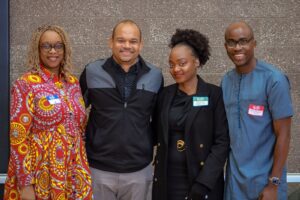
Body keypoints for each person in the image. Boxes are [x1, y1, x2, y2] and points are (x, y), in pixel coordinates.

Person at [4, 25, 93, 200]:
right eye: (46, 46)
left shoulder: (72, 82)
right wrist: (25, 184)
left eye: (58, 46)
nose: (53, 51)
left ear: (65, 49)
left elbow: (80, 128)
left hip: (73, 171)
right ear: (37, 49)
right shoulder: (25, 84)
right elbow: (18, 137)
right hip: (40, 174)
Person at [79, 19, 163, 200]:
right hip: (98, 169)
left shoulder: (155, 75)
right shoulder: (92, 71)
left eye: (133, 41)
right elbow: (75, 113)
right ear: (111, 42)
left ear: (141, 45)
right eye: (120, 40)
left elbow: (158, 120)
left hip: (139, 170)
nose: (127, 46)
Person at [152, 29, 230, 200]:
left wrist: (203, 184)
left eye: (181, 63)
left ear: (196, 62)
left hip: (201, 181)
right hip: (167, 180)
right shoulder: (164, 95)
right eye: (171, 65)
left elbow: (222, 142)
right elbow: (153, 133)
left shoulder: (214, 95)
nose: (175, 69)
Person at [221, 21, 293, 200]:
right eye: (232, 42)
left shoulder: (274, 80)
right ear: (225, 46)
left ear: (254, 43)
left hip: (265, 183)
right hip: (234, 183)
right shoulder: (226, 82)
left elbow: (284, 134)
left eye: (243, 41)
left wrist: (273, 184)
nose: (238, 47)